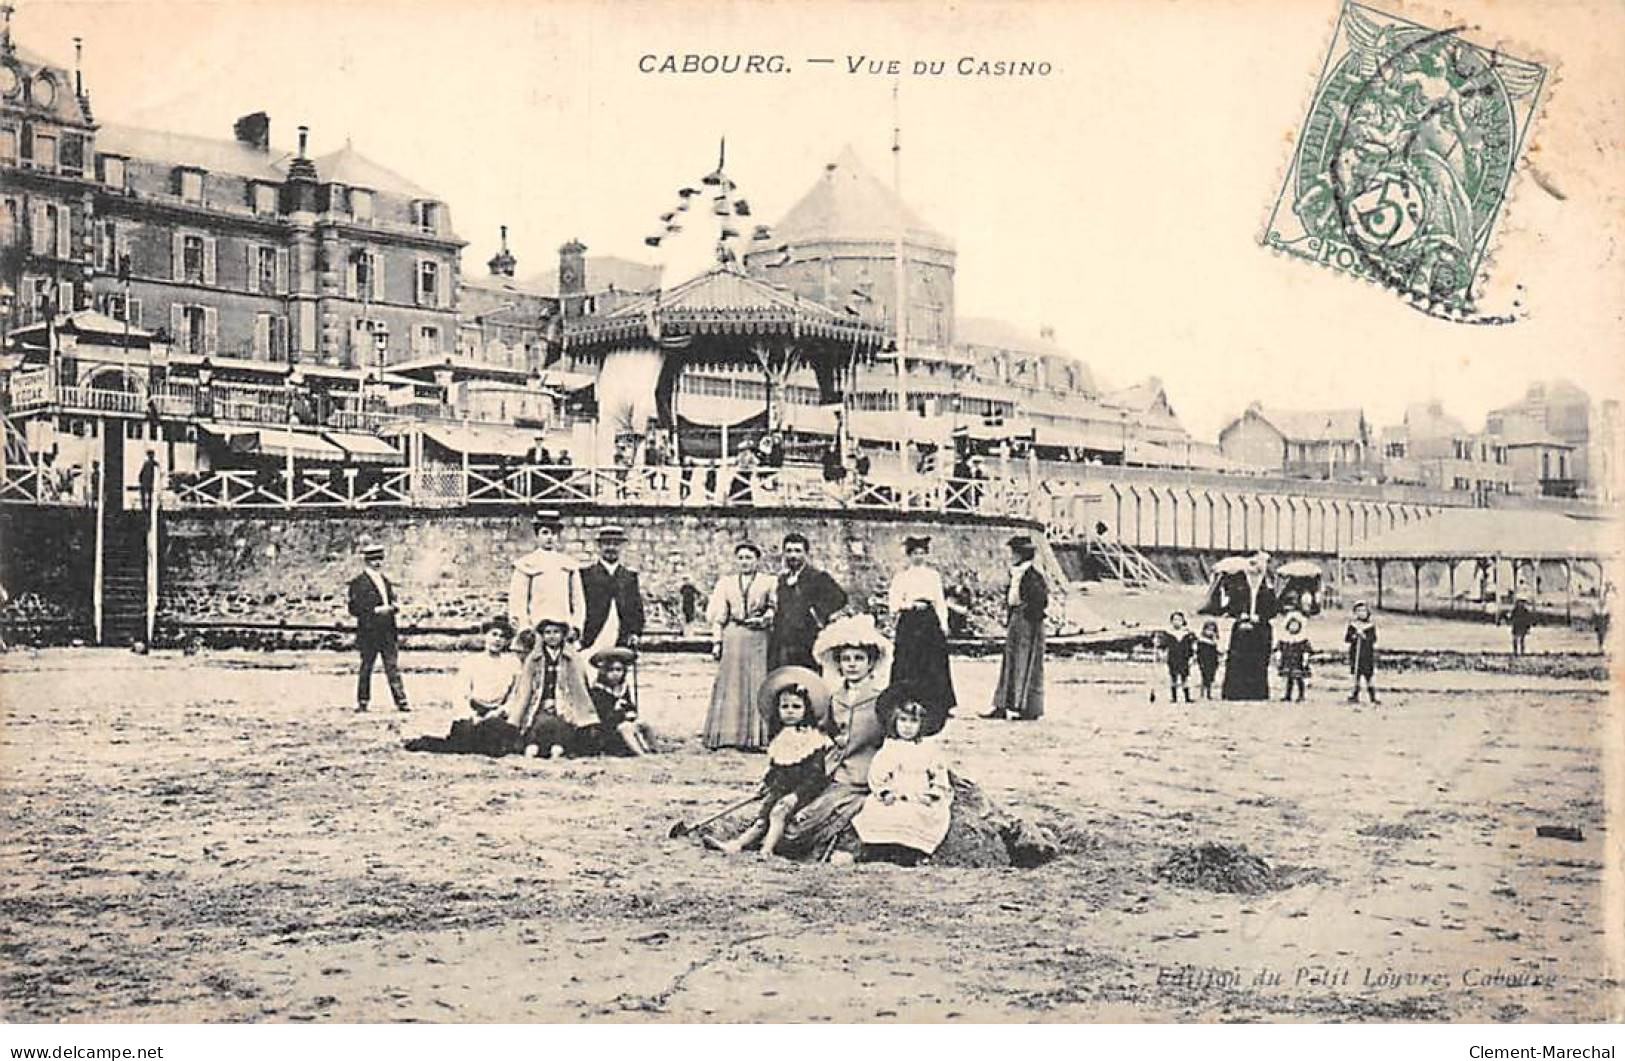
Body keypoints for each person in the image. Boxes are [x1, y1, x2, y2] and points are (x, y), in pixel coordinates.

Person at [776, 613, 891, 860]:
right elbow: (824, 732)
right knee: (791, 821)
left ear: (871, 663)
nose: (851, 664)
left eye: (859, 659)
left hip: (864, 776)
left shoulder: (881, 699)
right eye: (845, 659)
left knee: (806, 825)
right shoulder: (834, 697)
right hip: (831, 773)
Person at [705, 668, 833, 858]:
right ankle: (736, 844)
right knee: (761, 820)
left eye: (796, 707)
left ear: (807, 709)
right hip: (780, 789)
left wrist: (796, 795)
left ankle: (767, 849)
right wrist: (765, 784)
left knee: (778, 814)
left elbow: (816, 775)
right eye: (785, 706)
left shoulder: (813, 738)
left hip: (803, 792)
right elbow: (776, 768)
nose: (790, 711)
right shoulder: (781, 738)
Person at [852, 684, 953, 866]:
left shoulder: (928, 749)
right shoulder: (890, 747)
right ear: (894, 721)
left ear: (922, 724)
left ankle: (909, 852)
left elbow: (939, 775)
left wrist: (933, 793)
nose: (907, 727)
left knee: (920, 814)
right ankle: (880, 849)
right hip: (897, 792)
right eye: (903, 720)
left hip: (919, 794)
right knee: (879, 810)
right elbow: (877, 774)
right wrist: (884, 792)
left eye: (913, 722)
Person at [703, 541, 778, 751]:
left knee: (756, 682)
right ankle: (728, 735)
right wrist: (717, 642)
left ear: (757, 560)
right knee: (732, 683)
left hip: (758, 637)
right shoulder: (725, 583)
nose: (745, 562)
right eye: (741, 558)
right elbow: (719, 616)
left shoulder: (769, 582)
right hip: (733, 636)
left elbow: (774, 607)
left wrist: (765, 618)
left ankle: (756, 737)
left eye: (749, 557)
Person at [886, 536, 956, 733]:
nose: (919, 557)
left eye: (922, 553)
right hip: (910, 621)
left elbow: (939, 600)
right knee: (907, 659)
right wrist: (908, 605)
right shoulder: (902, 577)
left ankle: (939, 702)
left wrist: (943, 622)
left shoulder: (933, 576)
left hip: (929, 620)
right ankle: (903, 698)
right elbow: (893, 603)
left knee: (933, 661)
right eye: (915, 553)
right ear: (909, 556)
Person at [507, 615, 599, 757]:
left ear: (563, 635)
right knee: (539, 723)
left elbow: (579, 687)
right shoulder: (534, 659)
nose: (552, 636)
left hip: (565, 705)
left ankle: (557, 748)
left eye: (556, 632)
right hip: (539, 703)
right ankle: (533, 747)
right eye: (547, 632)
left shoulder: (572, 659)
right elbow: (525, 688)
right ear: (542, 636)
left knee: (562, 725)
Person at [985, 535, 1047, 721]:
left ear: (1022, 555)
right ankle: (1002, 705)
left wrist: (1026, 614)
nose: (1011, 556)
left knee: (1025, 664)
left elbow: (1042, 601)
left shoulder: (1033, 575)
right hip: (1016, 619)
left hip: (1028, 622)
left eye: (1014, 553)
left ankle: (1026, 707)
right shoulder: (1016, 573)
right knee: (1010, 662)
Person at [346, 537, 409, 713]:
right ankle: (363, 701)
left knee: (392, 667)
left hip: (388, 631)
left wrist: (394, 607)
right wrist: (375, 611)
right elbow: (354, 608)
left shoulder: (385, 580)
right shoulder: (358, 583)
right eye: (374, 559)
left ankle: (401, 701)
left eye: (380, 559)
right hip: (369, 632)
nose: (378, 562)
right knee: (367, 667)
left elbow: (391, 599)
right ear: (367, 561)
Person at [768, 533, 848, 670]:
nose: (793, 555)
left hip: (808, 642)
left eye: (798, 551)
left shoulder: (817, 577)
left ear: (806, 554)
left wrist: (816, 613)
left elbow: (840, 599)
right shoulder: (782, 579)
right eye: (789, 551)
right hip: (784, 642)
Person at [579, 525, 646, 668]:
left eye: (615, 544)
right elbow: (578, 606)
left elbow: (636, 609)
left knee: (617, 676)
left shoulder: (629, 577)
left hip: (621, 637)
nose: (611, 547)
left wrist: (635, 632)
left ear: (621, 547)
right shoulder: (586, 575)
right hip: (593, 635)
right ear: (599, 546)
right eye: (607, 543)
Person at [508, 510, 582, 639]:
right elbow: (518, 601)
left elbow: (578, 600)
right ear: (537, 536)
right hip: (535, 630)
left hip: (563, 629)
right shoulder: (526, 564)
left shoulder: (568, 564)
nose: (549, 537)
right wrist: (524, 628)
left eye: (553, 534)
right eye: (545, 533)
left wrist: (576, 626)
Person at [1217, 552, 1280, 701]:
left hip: (1260, 627)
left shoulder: (1268, 586)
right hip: (1242, 626)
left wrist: (1261, 616)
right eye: (1252, 564)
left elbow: (1274, 608)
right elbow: (1231, 605)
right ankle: (1236, 692)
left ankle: (1257, 693)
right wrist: (1240, 614)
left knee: (1258, 660)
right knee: (1238, 659)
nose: (1255, 569)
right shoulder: (1238, 584)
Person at [589, 647, 658, 756]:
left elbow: (630, 705)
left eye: (619, 670)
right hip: (607, 731)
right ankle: (640, 754)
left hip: (623, 722)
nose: (615, 674)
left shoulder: (623, 688)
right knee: (625, 728)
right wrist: (621, 713)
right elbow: (604, 717)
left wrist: (631, 711)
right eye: (611, 670)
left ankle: (654, 749)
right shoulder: (598, 691)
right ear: (604, 672)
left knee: (643, 724)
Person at [1344, 601, 1380, 704]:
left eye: (1363, 610)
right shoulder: (1353, 625)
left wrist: (1364, 636)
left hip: (1367, 654)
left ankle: (1372, 696)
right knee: (1356, 675)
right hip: (1355, 653)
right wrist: (1354, 636)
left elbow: (1373, 639)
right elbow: (1347, 638)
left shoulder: (1370, 626)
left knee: (1369, 675)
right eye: (1358, 611)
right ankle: (1354, 695)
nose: (1361, 613)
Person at [1160, 610, 1197, 704]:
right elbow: (1164, 646)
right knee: (1173, 677)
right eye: (1175, 619)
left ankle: (1187, 697)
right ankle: (1174, 697)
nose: (1177, 622)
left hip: (1184, 658)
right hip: (1173, 658)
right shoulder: (1168, 634)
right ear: (1171, 621)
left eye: (1179, 619)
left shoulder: (1187, 633)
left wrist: (1192, 657)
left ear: (1183, 621)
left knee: (1185, 678)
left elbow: (1192, 646)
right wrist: (1162, 654)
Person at [1276, 613, 1311, 703]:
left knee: (1299, 678)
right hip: (1288, 661)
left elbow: (1306, 650)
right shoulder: (1285, 638)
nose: (1293, 627)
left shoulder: (1302, 639)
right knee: (1289, 679)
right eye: (1291, 625)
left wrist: (1305, 659)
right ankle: (1288, 695)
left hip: (1298, 662)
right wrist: (1279, 657)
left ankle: (1301, 695)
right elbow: (1279, 648)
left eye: (1295, 625)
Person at [1195, 619, 1222, 700]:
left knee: (1210, 677)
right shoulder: (1201, 641)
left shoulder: (1215, 640)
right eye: (1208, 629)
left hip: (1213, 661)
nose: (1210, 631)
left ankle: (1208, 693)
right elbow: (1199, 652)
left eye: (1212, 629)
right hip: (1204, 660)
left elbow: (1217, 651)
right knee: (1204, 676)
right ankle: (1203, 693)